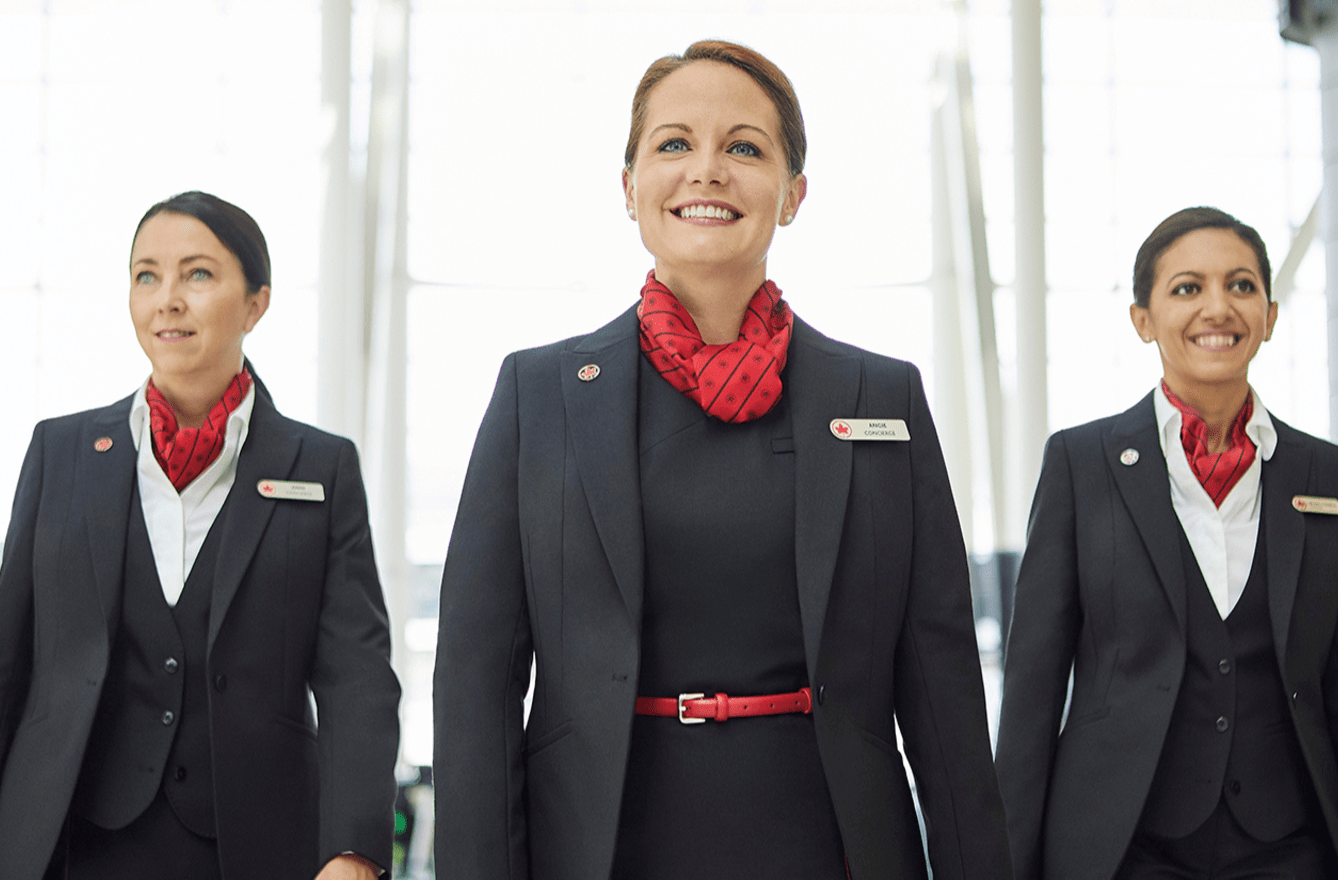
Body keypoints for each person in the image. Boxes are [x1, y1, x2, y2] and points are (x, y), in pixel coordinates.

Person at [433, 40, 1011, 880]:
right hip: (600, 846)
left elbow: (943, 687)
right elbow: (476, 683)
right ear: (628, 188)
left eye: (744, 147)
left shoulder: (878, 398)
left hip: (834, 847)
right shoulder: (540, 395)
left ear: (793, 195)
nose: (706, 170)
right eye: (673, 144)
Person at [0, 192, 402, 880]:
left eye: (197, 275)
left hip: (255, 848)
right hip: (72, 845)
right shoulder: (63, 453)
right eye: (147, 275)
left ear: (257, 303)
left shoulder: (320, 468)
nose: (167, 299)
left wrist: (352, 849)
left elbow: (357, 678)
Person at [995, 206, 1338, 879]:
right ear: (1143, 319)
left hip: (1290, 848)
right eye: (1188, 288)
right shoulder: (1081, 464)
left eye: (1242, 286)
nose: (1217, 308)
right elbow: (1032, 689)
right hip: (1125, 846)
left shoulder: (1326, 474)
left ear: (1271, 316)